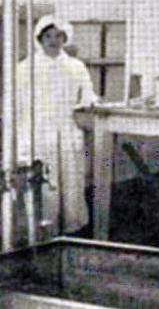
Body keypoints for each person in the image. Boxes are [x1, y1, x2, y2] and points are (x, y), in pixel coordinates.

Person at [16, 15, 99, 236]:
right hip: (37, 129)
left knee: (71, 179)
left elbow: (88, 92)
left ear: (65, 38)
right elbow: (15, 102)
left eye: (58, 36)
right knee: (44, 180)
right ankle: (43, 229)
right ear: (39, 39)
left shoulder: (75, 66)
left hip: (68, 128)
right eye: (48, 36)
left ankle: (71, 227)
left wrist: (88, 102)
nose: (53, 40)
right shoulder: (26, 68)